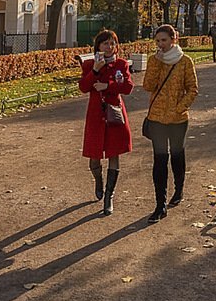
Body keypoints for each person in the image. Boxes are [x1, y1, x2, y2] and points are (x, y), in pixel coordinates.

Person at [142, 24, 199, 223]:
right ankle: (160, 204)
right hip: (157, 117)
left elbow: (193, 89)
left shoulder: (185, 61)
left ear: (173, 40)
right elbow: (148, 86)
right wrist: (157, 64)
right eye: (157, 41)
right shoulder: (153, 60)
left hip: (178, 118)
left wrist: (179, 108)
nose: (160, 45)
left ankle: (179, 188)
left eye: (164, 40)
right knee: (159, 159)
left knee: (176, 155)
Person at [78, 29, 133, 216]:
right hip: (95, 114)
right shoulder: (89, 64)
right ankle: (98, 180)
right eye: (105, 43)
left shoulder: (121, 64)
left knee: (114, 152)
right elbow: (84, 87)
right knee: (94, 153)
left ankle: (109, 195)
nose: (109, 47)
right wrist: (95, 70)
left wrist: (108, 86)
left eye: (112, 43)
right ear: (98, 46)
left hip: (114, 113)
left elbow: (128, 87)